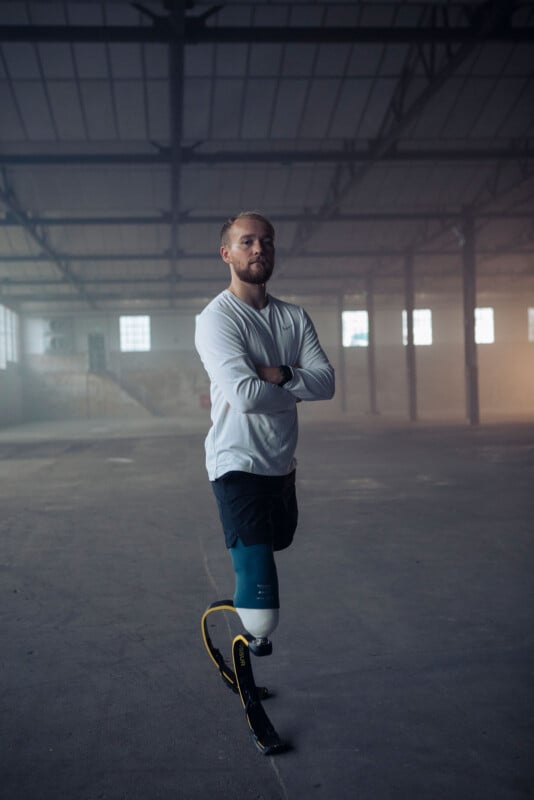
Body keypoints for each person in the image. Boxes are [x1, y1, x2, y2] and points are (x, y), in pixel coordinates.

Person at [195, 211, 335, 645]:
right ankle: (251, 642)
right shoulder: (217, 319)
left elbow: (327, 383)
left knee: (281, 543)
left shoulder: (294, 317)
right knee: (262, 611)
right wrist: (297, 385)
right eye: (247, 242)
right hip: (236, 465)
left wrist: (276, 373)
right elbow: (246, 397)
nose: (259, 249)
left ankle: (247, 601)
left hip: (280, 466)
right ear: (226, 253)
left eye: (267, 241)